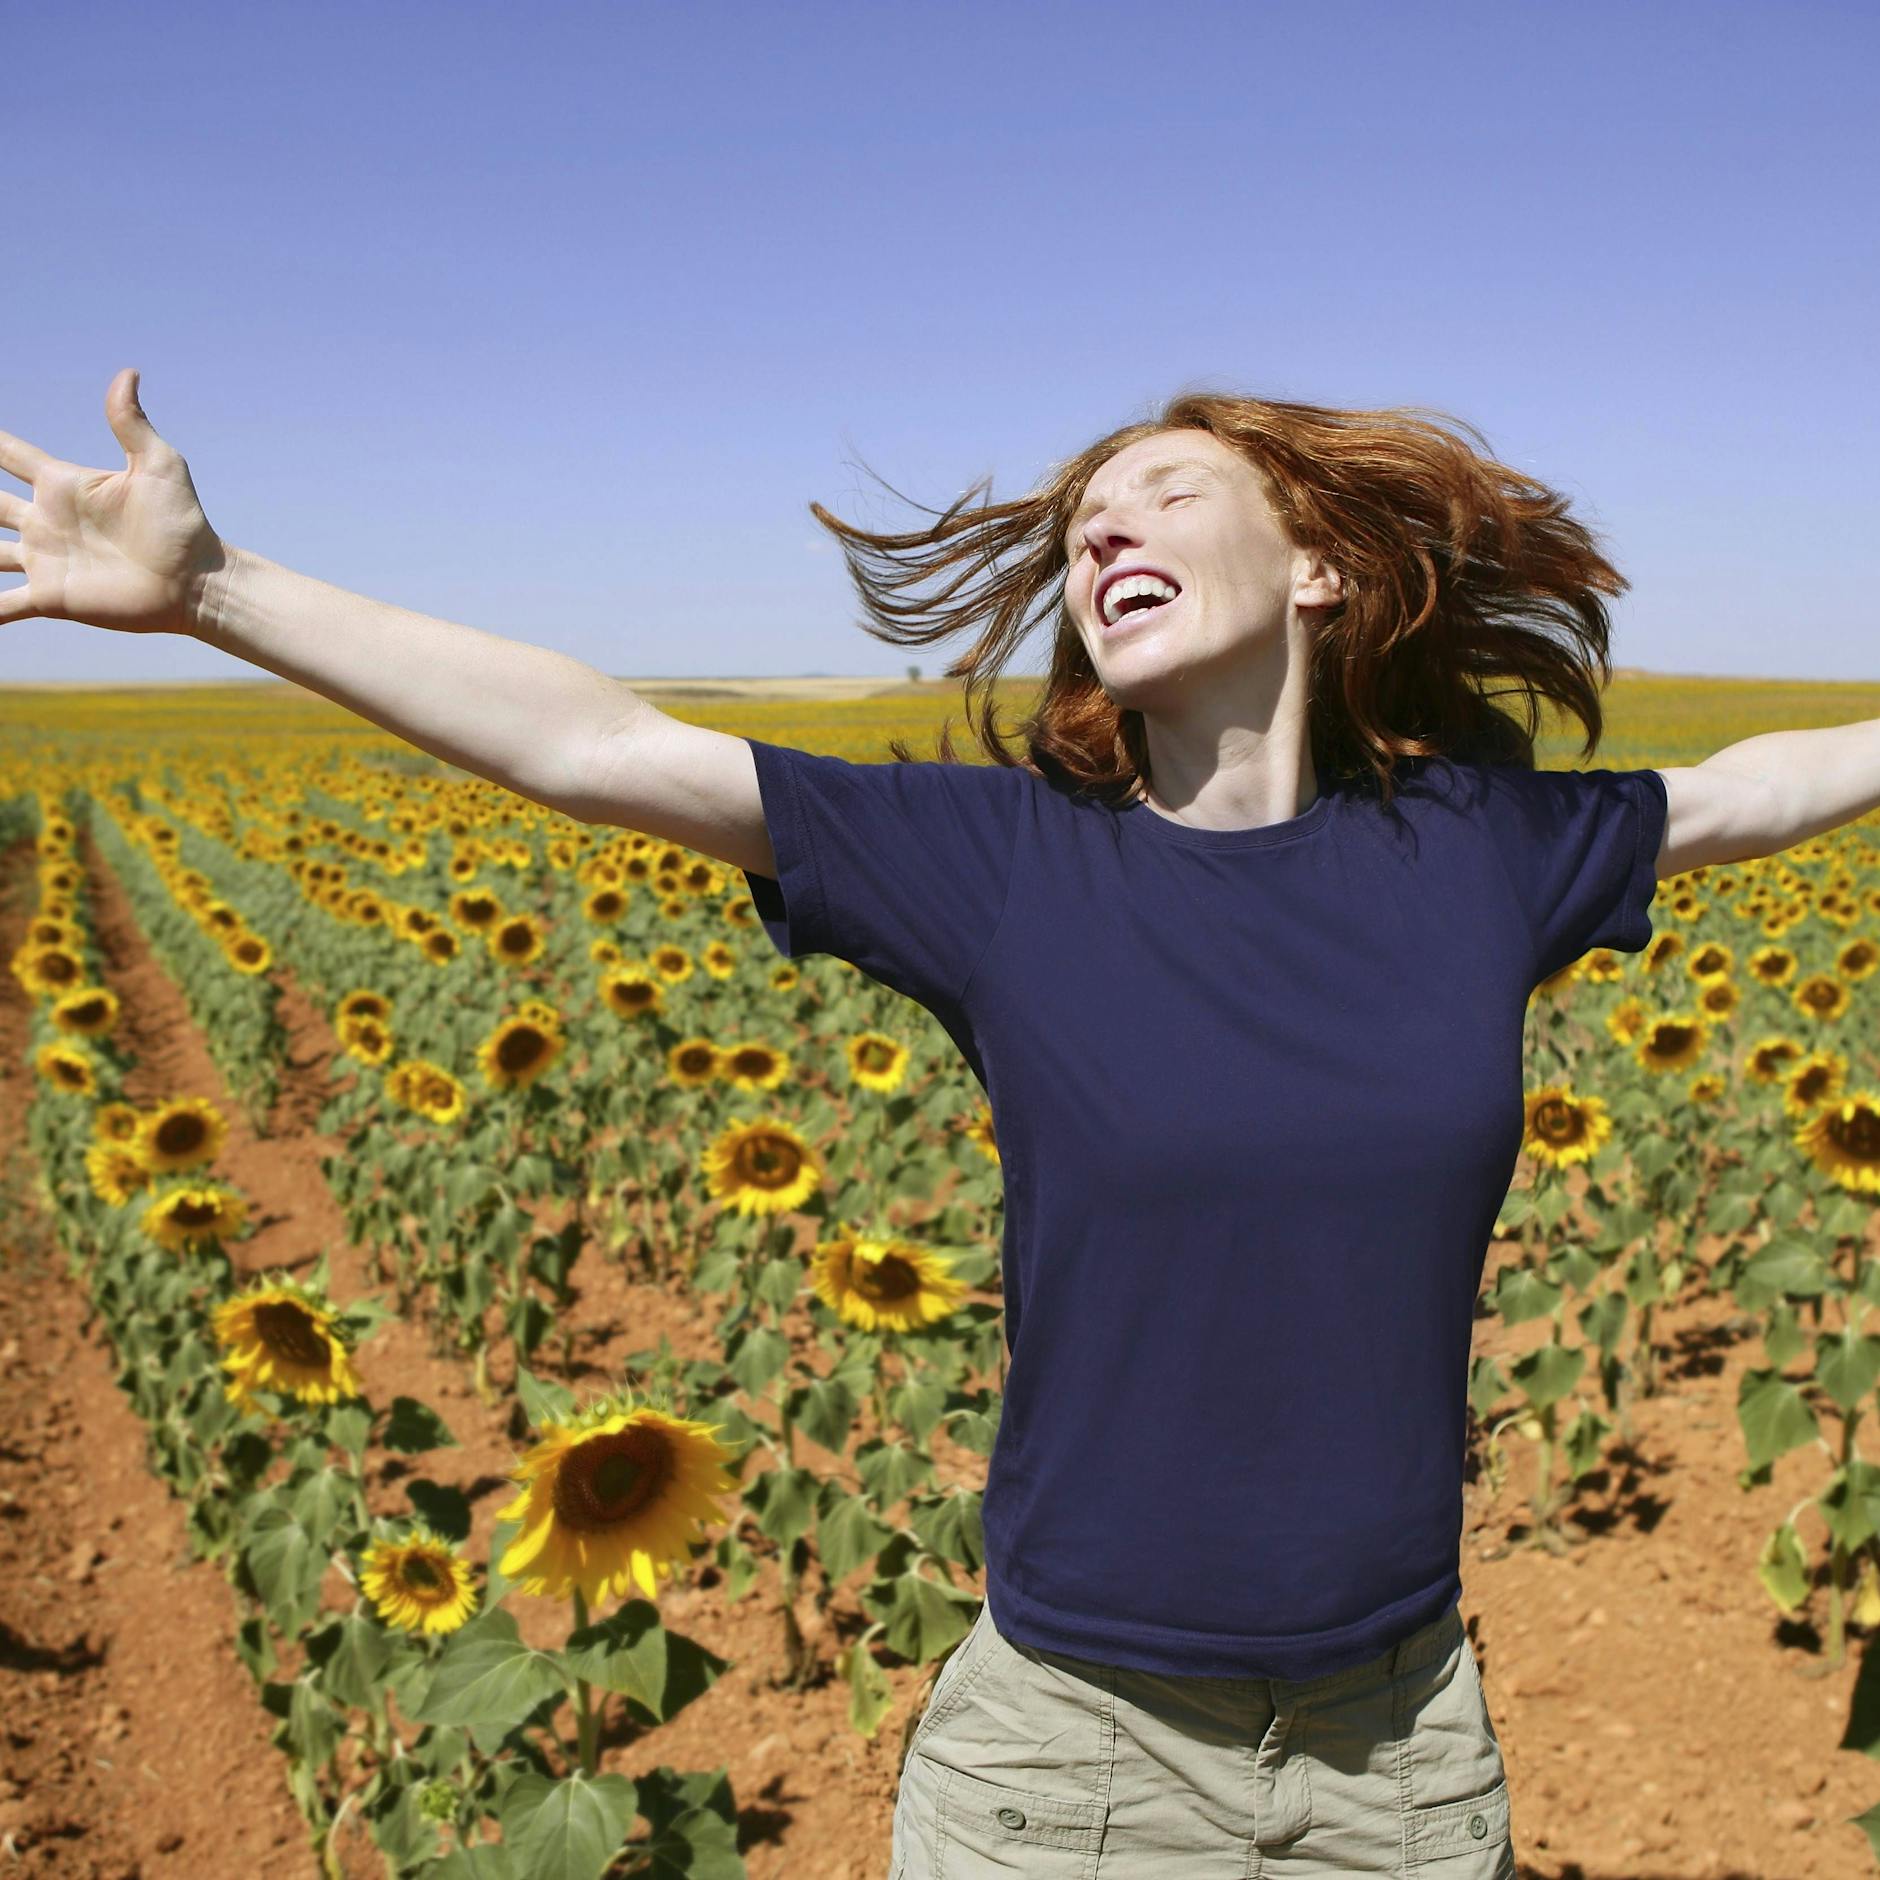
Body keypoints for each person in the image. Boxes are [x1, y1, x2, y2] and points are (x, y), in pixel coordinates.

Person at [4, 371, 1697, 1878]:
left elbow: (1762, 790)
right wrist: (216, 590)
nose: (1107, 535)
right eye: (1084, 529)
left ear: (1320, 566)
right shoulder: (1009, 866)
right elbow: (599, 742)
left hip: (1401, 1764)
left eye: (1167, 495)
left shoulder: (1475, 852)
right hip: (1080, 1766)